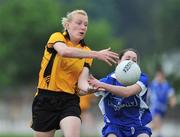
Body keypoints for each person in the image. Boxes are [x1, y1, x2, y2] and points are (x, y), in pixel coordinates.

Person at [30, 9, 119, 137]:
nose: (83, 27)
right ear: (67, 25)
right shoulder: (57, 37)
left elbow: (82, 84)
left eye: (86, 24)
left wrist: (92, 89)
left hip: (69, 100)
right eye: (79, 23)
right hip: (45, 98)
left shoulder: (86, 51)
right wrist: (96, 54)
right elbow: (64, 51)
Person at [88, 48, 152, 137]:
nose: (130, 62)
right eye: (127, 59)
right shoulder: (109, 80)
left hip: (137, 125)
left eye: (134, 60)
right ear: (118, 62)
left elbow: (127, 92)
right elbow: (84, 90)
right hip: (114, 126)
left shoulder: (142, 78)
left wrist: (101, 85)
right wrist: (89, 87)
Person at [148, 68, 176, 137]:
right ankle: (157, 134)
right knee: (157, 121)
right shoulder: (153, 84)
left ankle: (146, 130)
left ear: (163, 77)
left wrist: (172, 102)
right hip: (155, 107)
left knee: (156, 125)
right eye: (157, 76)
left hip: (163, 108)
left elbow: (171, 95)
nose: (158, 78)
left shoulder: (167, 86)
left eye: (160, 76)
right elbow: (147, 93)